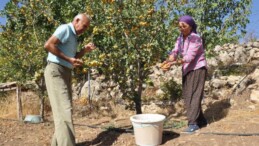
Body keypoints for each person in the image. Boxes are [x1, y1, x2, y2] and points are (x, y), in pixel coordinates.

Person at [44, 13, 96, 146]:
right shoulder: (65, 29)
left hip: (66, 72)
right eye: (83, 26)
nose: (83, 30)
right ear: (76, 20)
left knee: (64, 111)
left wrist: (84, 51)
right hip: (56, 71)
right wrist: (68, 59)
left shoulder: (74, 37)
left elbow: (72, 56)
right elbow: (48, 45)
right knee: (65, 110)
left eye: (86, 28)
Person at [163, 15, 207, 133]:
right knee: (188, 95)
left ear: (190, 26)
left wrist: (172, 64)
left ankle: (193, 124)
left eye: (184, 26)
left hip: (197, 68)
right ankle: (201, 120)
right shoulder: (180, 38)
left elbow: (189, 57)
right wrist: (169, 60)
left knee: (194, 95)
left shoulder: (195, 38)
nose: (181, 28)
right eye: (180, 26)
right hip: (187, 69)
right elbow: (175, 51)